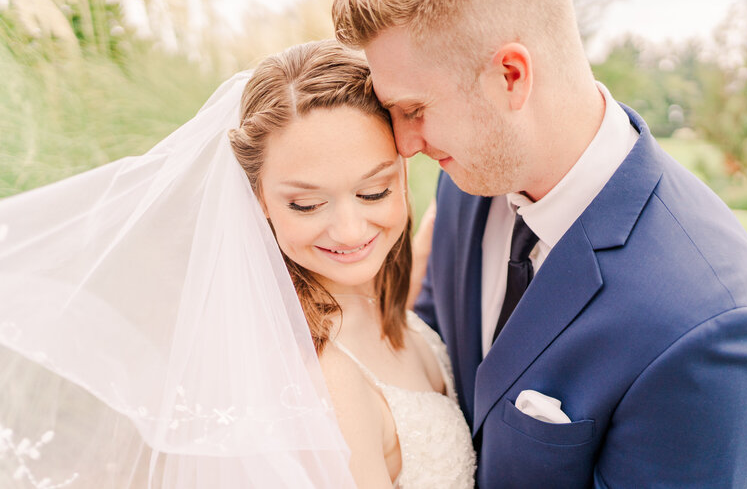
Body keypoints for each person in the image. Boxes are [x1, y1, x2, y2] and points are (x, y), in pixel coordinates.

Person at [332, 0, 747, 487]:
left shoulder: (710, 322)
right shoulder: (463, 185)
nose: (406, 144)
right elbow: (437, 369)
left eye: (414, 110)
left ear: (510, 76)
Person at [0, 40, 474, 488]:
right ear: (258, 199)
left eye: (374, 191)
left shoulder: (376, 304)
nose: (351, 230)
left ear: (404, 166)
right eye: (307, 205)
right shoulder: (325, 385)